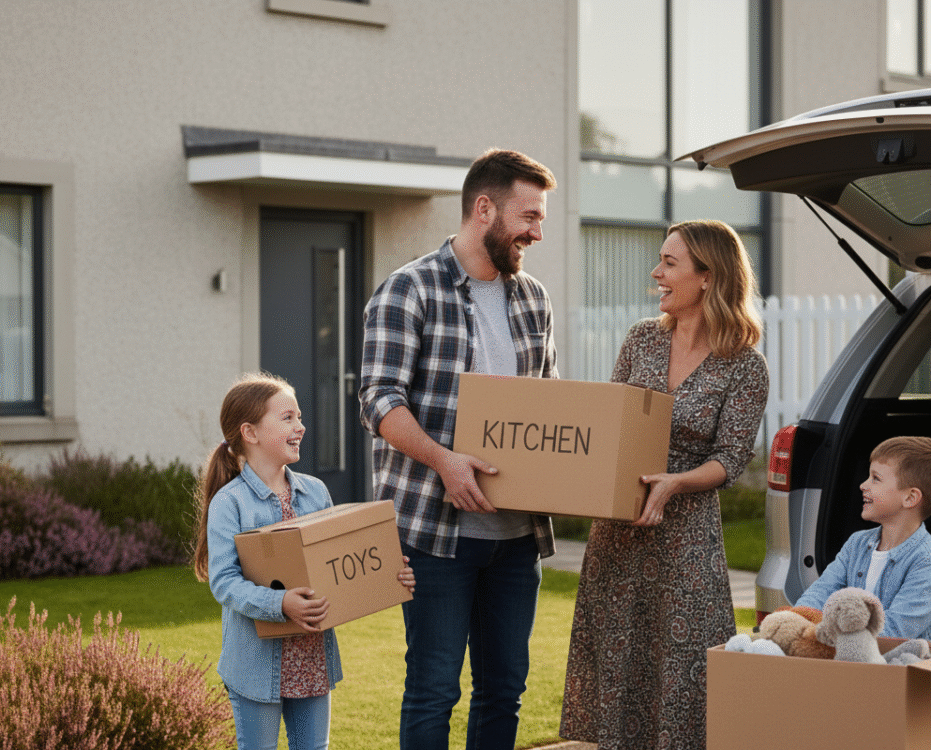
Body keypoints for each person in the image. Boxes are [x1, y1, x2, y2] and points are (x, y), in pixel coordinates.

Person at [359, 148, 558, 750]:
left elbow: (549, 407)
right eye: (528, 217)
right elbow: (378, 399)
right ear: (483, 208)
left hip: (515, 536)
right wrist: (443, 460)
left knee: (504, 689)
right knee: (433, 689)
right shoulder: (408, 290)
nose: (536, 232)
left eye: (540, 218)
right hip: (434, 536)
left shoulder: (533, 300)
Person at [560, 220, 770, 750]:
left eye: (670, 263)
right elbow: (614, 423)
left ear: (708, 277)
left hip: (686, 538)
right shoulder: (641, 339)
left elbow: (731, 458)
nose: (656, 272)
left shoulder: (744, 364)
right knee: (615, 661)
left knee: (683, 669)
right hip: (621, 530)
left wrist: (675, 483)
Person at [193, 372, 416, 750]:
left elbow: (337, 562)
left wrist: (387, 573)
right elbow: (224, 582)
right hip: (256, 667)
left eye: (298, 417)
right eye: (287, 418)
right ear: (250, 433)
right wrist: (281, 603)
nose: (301, 426)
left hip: (312, 658)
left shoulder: (315, 491)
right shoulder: (229, 503)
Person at [795, 436, 931, 638]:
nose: (863, 485)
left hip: (899, 663)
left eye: (876, 478)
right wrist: (795, 621)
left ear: (910, 498)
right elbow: (819, 594)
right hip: (850, 657)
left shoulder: (926, 559)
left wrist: (825, 634)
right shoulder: (857, 543)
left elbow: (896, 631)